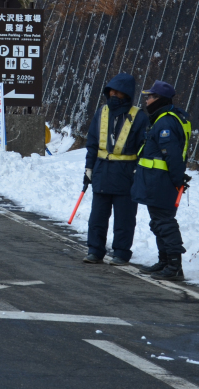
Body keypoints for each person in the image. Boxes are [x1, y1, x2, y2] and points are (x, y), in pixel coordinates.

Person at [83, 73, 149, 265]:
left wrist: (138, 172)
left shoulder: (139, 117)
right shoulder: (101, 112)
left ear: (126, 94)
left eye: (117, 92)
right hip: (102, 172)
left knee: (125, 219)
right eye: (111, 91)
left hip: (126, 174)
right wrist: (88, 167)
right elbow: (92, 143)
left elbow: (144, 148)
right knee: (97, 217)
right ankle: (95, 251)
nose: (113, 94)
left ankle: (121, 253)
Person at [132, 80, 191, 281]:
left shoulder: (165, 122)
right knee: (158, 222)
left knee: (165, 223)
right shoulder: (162, 119)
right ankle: (164, 261)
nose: (147, 100)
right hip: (155, 181)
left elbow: (172, 155)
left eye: (150, 97)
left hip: (162, 182)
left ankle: (174, 266)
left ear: (159, 99)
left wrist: (177, 180)